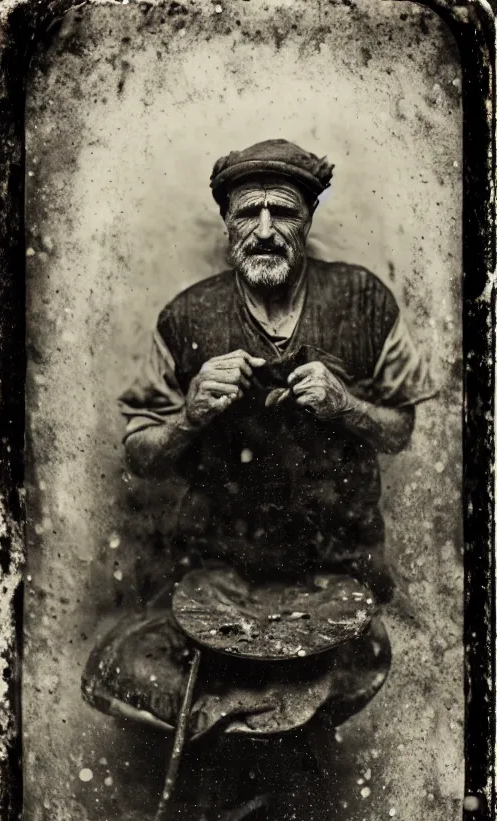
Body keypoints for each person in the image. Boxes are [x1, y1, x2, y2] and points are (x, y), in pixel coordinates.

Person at [82, 139, 436, 742]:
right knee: (125, 669)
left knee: (340, 675)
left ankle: (270, 748)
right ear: (227, 221)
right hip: (216, 571)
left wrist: (346, 405)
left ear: (308, 220)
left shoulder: (365, 300)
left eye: (285, 213)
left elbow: (400, 430)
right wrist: (191, 415)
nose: (266, 231)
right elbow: (139, 454)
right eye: (249, 213)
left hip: (333, 567)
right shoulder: (185, 318)